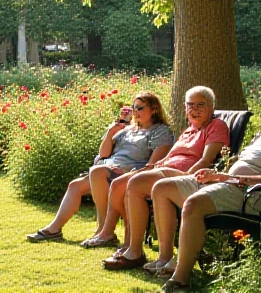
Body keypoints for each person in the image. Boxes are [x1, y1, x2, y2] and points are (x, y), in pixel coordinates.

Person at [152, 82, 261, 292]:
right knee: (162, 188)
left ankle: (180, 277)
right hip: (230, 183)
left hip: (252, 195)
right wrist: (217, 175)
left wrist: (238, 179)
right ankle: (169, 257)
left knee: (194, 204)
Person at [94, 87, 229, 270]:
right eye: (190, 105)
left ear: (211, 107)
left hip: (183, 175)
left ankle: (134, 251)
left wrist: (186, 176)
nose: (194, 109)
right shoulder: (189, 130)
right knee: (119, 184)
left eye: (200, 105)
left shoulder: (216, 126)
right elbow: (169, 158)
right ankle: (128, 244)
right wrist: (151, 167)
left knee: (134, 184)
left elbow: (207, 159)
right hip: (164, 170)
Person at [26, 92, 174, 243]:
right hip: (107, 169)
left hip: (129, 174)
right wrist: (111, 132)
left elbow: (154, 164)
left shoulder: (161, 131)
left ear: (154, 109)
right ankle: (53, 230)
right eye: (133, 108)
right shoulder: (128, 129)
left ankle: (103, 230)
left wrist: (128, 171)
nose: (135, 112)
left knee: (97, 171)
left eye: (140, 108)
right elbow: (103, 154)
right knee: (75, 186)